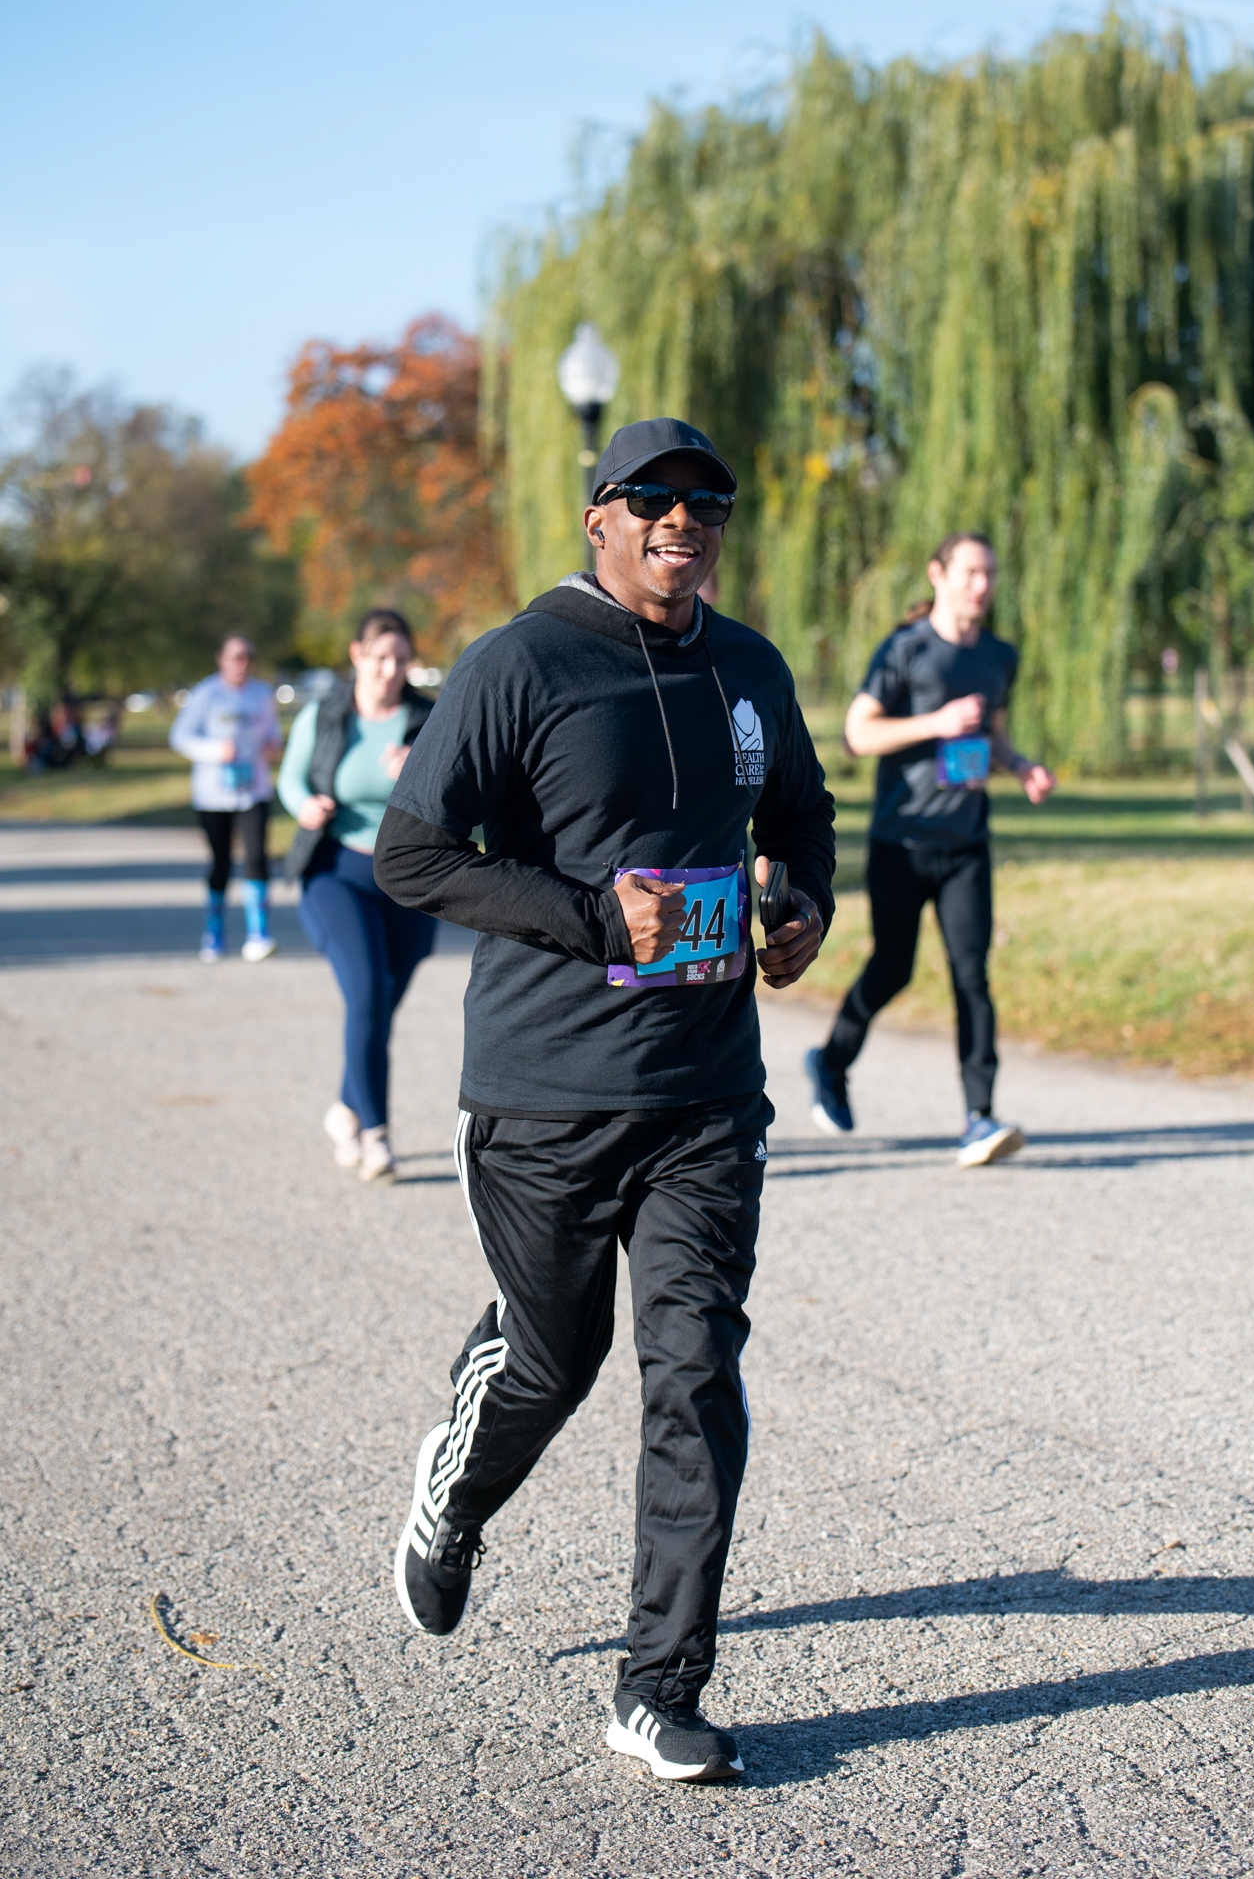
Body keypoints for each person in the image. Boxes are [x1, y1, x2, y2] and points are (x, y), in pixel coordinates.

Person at [374, 417, 835, 1783]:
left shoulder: (748, 665)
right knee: (548, 1359)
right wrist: (591, 916)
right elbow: (411, 857)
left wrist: (802, 899)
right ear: (598, 518)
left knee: (693, 1377)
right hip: (542, 1095)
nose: (679, 520)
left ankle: (659, 1683)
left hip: (704, 1093)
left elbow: (798, 813)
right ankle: (454, 1495)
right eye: (650, 499)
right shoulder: (519, 665)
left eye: (705, 501)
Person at [806, 531, 1054, 1166]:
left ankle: (979, 1116)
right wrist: (935, 725)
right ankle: (830, 1062)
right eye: (971, 572)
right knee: (893, 967)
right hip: (903, 841)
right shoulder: (906, 649)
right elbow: (858, 734)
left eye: (990, 574)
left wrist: (1021, 765)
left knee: (972, 976)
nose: (982, 585)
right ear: (938, 575)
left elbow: (991, 733)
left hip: (966, 842)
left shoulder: (999, 656)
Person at [278, 608, 440, 1184]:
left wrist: (421, 772)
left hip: (410, 877)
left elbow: (465, 797)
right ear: (356, 656)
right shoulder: (326, 714)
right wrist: (303, 805)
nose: (390, 669)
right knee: (368, 992)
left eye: (400, 658)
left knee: (381, 1004)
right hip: (335, 872)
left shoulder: (430, 719)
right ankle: (376, 1133)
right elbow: (292, 777)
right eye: (379, 657)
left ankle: (345, 1109)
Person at [170, 636, 282, 963]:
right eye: (235, 657)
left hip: (254, 790)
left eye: (247, 656)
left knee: (257, 858)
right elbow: (180, 737)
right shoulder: (207, 694)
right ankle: (214, 932)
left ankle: (258, 934)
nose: (241, 663)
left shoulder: (261, 694)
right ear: (221, 659)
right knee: (220, 861)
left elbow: (271, 732)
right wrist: (215, 752)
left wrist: (272, 746)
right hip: (212, 794)